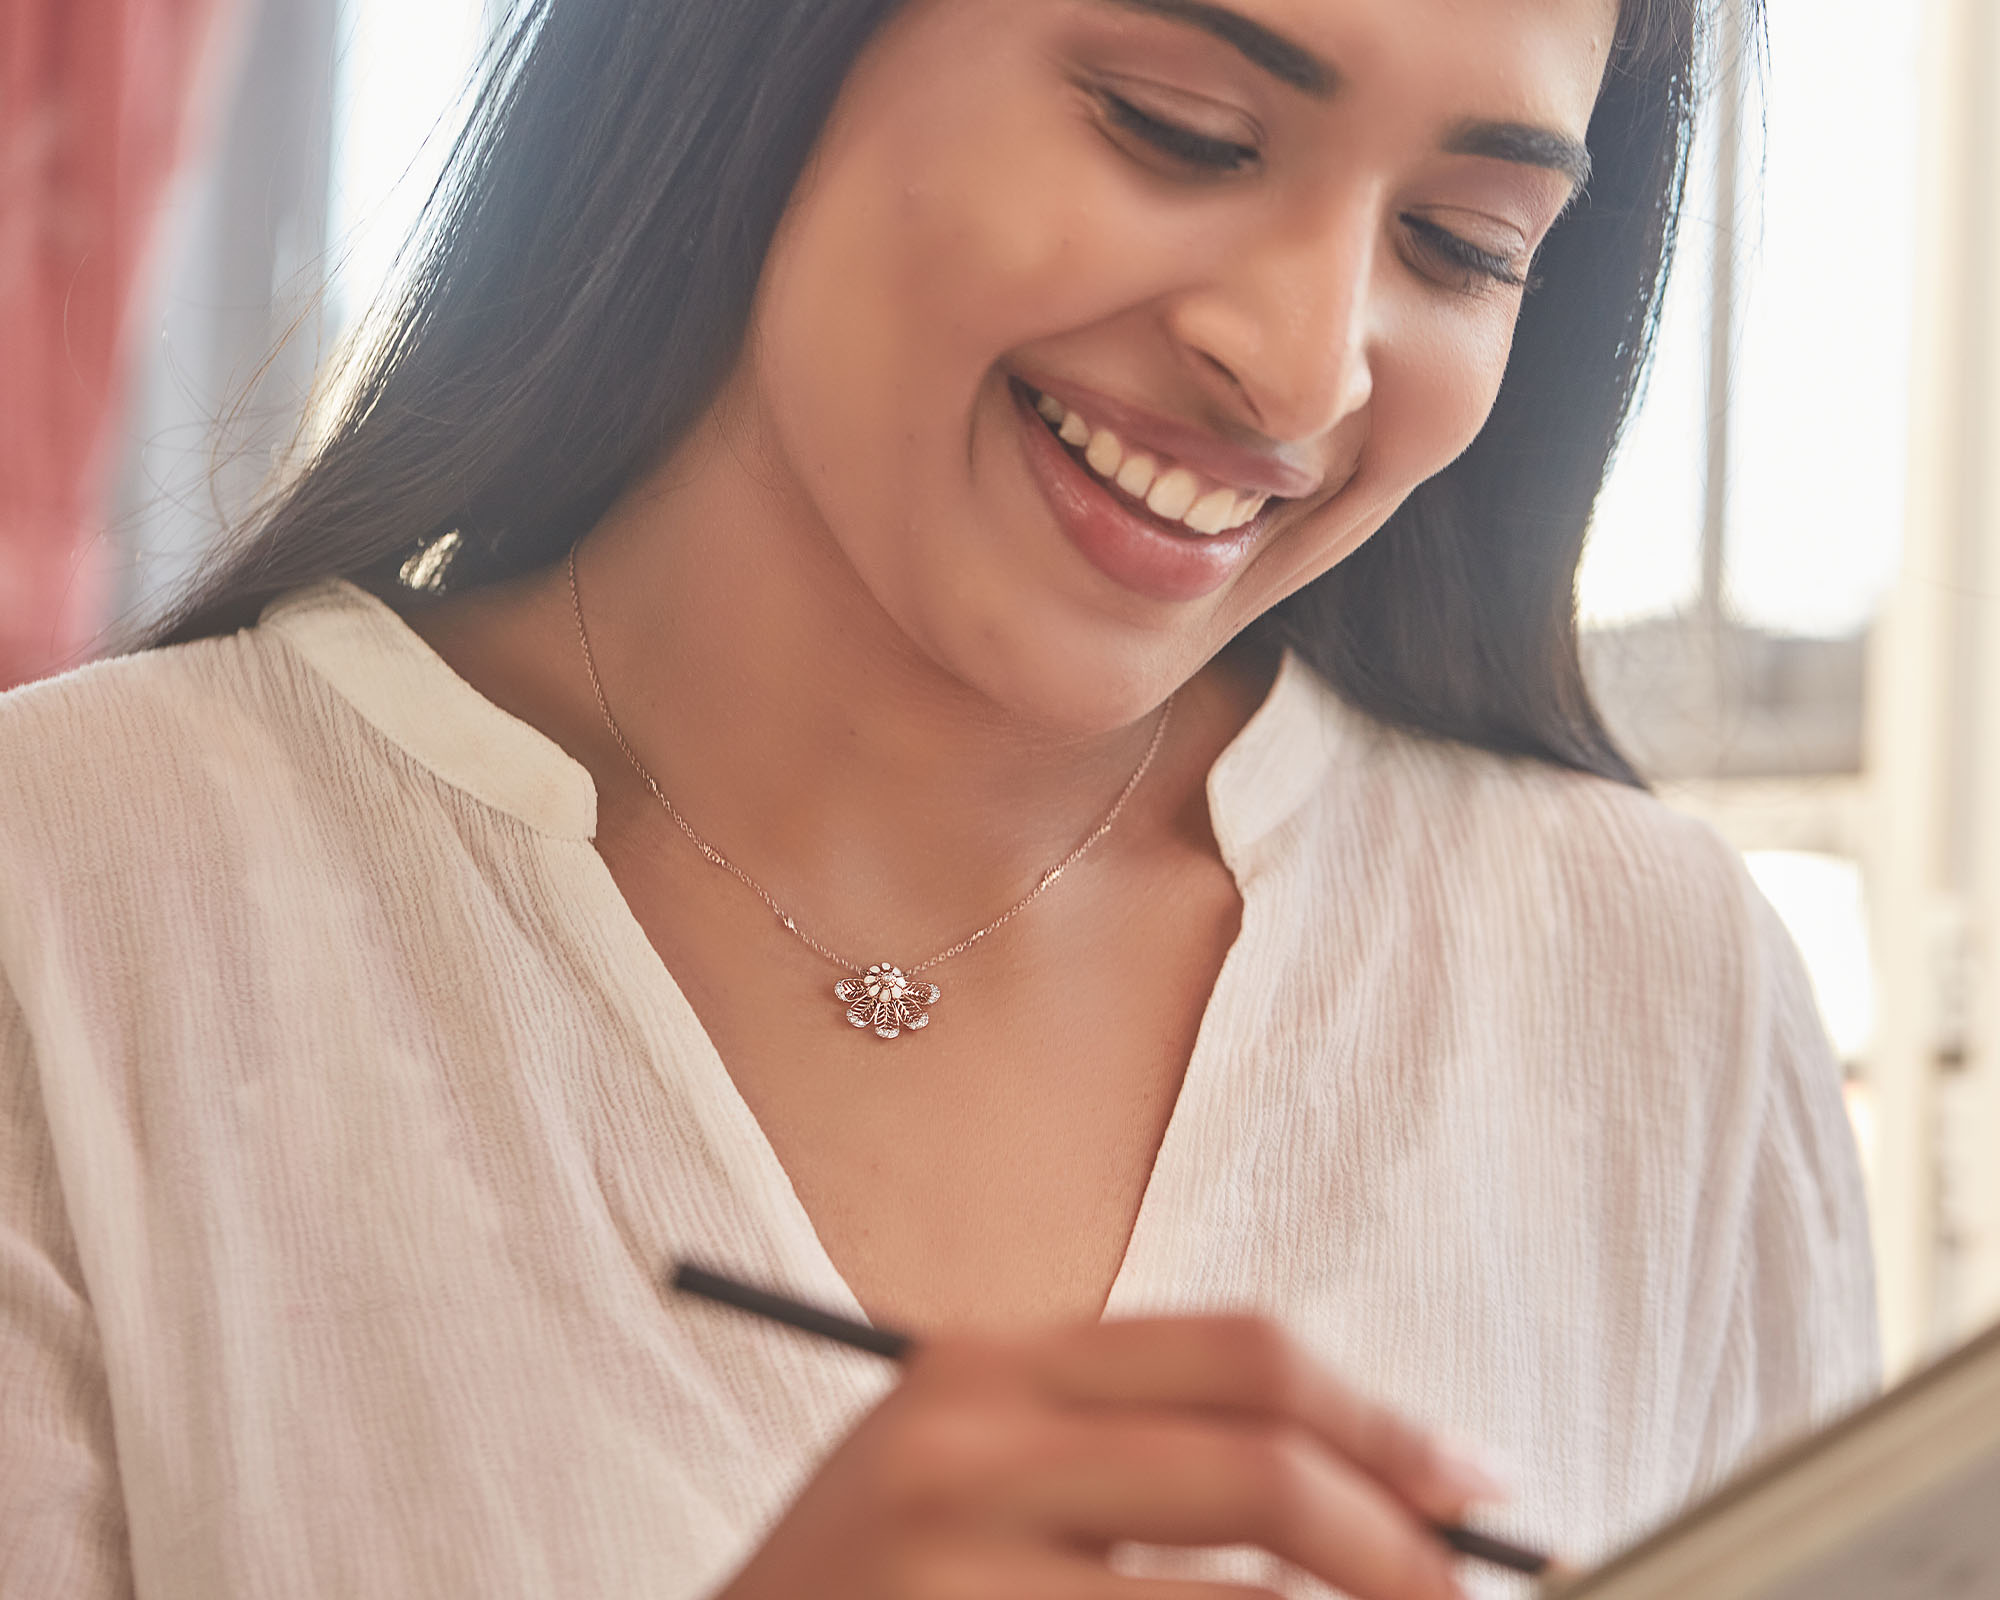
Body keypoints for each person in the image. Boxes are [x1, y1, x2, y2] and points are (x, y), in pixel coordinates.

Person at [0, 0, 1877, 1595]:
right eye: (1183, 131)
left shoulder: (1657, 992)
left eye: (1465, 245)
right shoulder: (81, 898)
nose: (1300, 363)